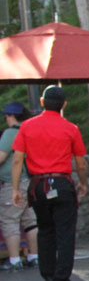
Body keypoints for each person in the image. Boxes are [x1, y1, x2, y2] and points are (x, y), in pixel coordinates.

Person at [10, 85, 88, 281]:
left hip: (38, 186)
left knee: (45, 230)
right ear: (64, 105)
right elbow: (80, 163)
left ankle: (49, 277)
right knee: (65, 234)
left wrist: (16, 188)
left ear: (42, 102)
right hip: (62, 184)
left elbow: (18, 159)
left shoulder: (26, 126)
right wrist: (83, 183)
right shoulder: (71, 128)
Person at [0, 102, 38, 270]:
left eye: (6, 116)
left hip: (13, 183)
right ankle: (34, 256)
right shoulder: (31, 129)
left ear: (11, 116)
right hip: (32, 180)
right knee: (31, 220)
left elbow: (1, 157)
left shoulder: (11, 133)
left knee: (10, 220)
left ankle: (15, 260)